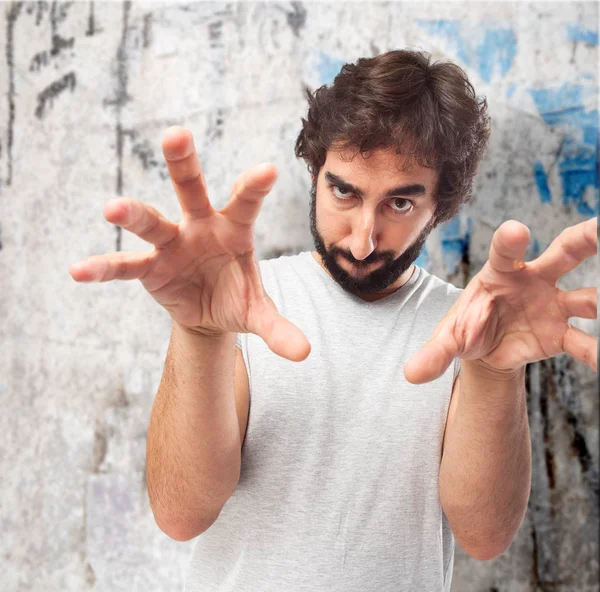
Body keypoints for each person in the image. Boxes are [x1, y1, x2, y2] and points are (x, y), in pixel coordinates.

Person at [69, 50, 597, 592]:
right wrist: (200, 333)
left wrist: (493, 371)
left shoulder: (471, 329)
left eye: (399, 204)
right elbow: (182, 514)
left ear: (439, 206)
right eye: (344, 191)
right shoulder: (246, 303)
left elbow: (484, 537)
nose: (363, 238)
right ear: (315, 172)